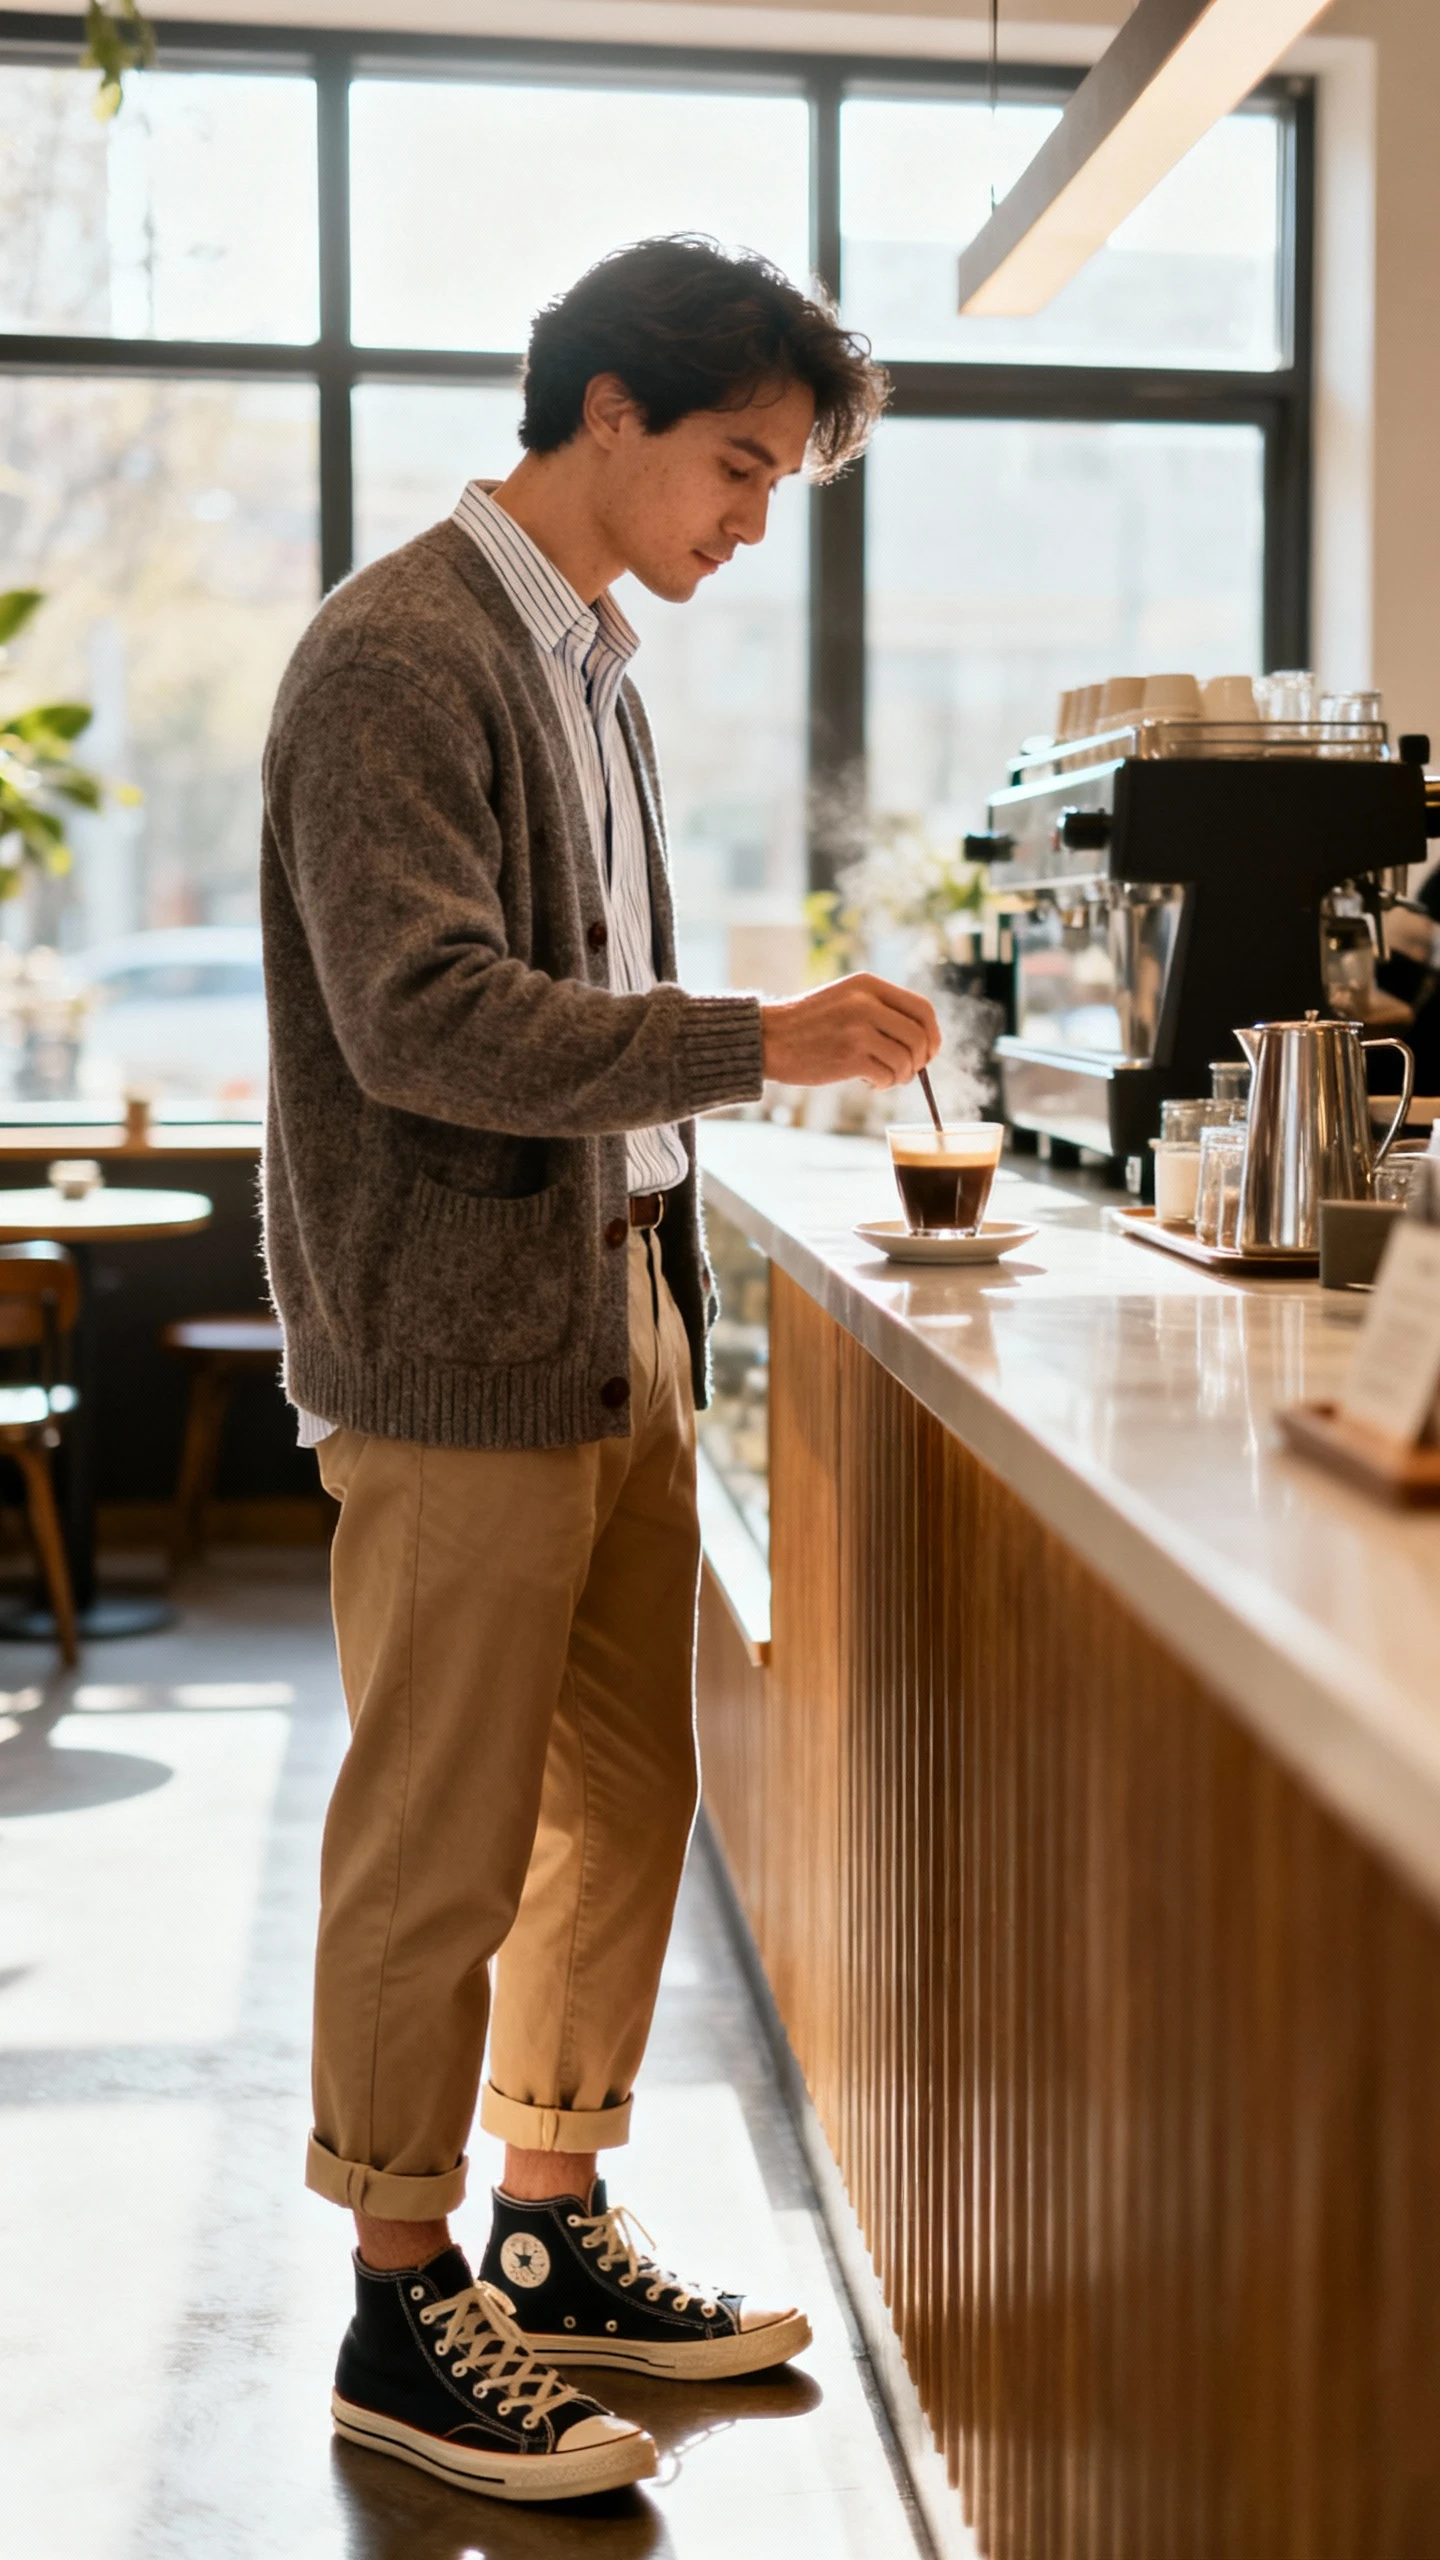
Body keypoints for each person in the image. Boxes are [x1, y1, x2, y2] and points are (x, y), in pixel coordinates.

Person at [261, 234, 940, 2505]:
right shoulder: (398, 653)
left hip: (614, 1300)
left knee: (617, 1805)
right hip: (456, 1335)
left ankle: (544, 2228)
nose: (753, 519)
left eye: (784, 483)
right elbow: (423, 1019)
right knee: (437, 1832)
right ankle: (395, 2286)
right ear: (607, 411)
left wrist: (691, 1157)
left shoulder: (596, 670)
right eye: (737, 465)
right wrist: (762, 1037)